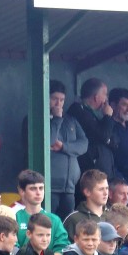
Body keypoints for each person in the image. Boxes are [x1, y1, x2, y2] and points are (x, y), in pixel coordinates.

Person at [23, 79, 87, 218]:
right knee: (46, 223)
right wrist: (57, 120)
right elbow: (49, 141)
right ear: (46, 98)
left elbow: (84, 144)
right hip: (48, 187)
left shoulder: (70, 120)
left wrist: (64, 146)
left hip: (69, 187)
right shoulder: (34, 119)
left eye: (62, 100)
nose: (58, 104)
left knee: (65, 227)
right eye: (54, 99)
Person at [12, 169, 70, 255]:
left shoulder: (54, 220)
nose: (38, 193)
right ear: (22, 191)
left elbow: (63, 248)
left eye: (41, 188)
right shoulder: (14, 217)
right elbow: (12, 247)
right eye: (33, 189)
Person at [67, 77, 115, 178]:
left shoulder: (92, 114)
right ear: (96, 97)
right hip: (88, 171)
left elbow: (112, 139)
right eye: (105, 94)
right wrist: (108, 116)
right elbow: (103, 135)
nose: (106, 99)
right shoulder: (78, 110)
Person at [63, 169, 109, 239]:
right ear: (87, 192)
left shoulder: (112, 215)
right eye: (101, 189)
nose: (106, 193)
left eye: (107, 188)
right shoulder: (73, 219)